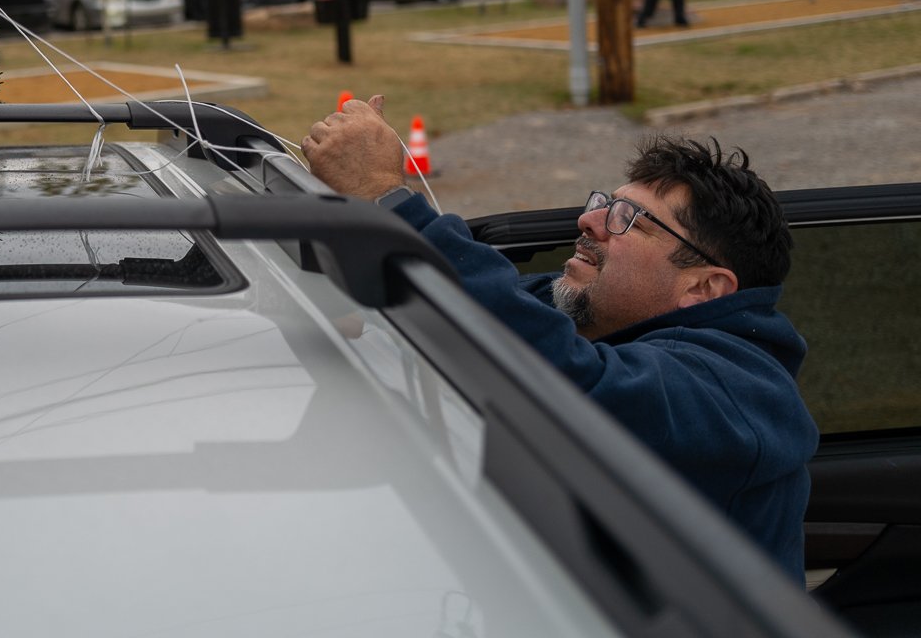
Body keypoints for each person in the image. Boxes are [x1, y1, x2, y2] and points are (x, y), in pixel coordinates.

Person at [302, 97, 817, 581]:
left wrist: (388, 200)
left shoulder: (736, 391)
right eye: (604, 204)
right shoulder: (591, 316)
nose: (588, 221)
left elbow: (567, 385)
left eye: (628, 221)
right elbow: (495, 306)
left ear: (704, 286)